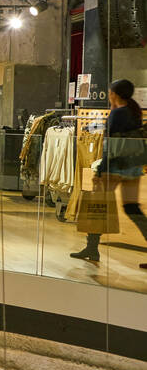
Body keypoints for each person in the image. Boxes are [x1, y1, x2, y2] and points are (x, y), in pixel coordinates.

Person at [71, 79, 147, 267]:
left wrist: (101, 169)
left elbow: (109, 145)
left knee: (99, 206)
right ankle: (91, 248)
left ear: (116, 94)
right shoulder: (134, 112)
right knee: (132, 208)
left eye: (110, 92)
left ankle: (92, 248)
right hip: (132, 167)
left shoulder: (117, 113)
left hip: (114, 167)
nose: (109, 95)